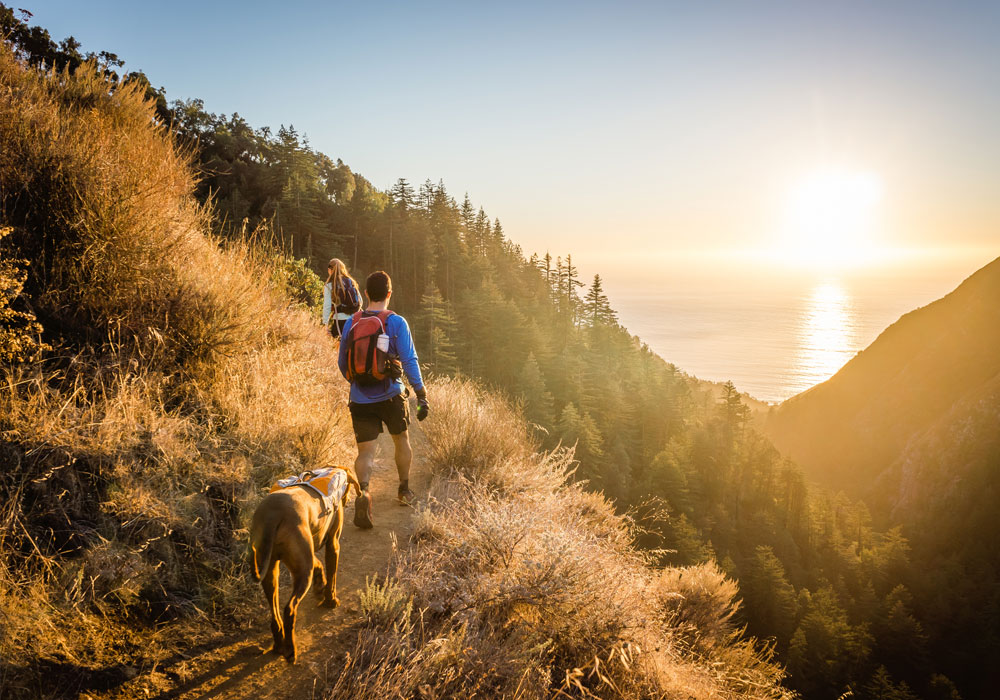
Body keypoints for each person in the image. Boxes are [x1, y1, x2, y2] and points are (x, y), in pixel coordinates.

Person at [338, 270, 429, 529]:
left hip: (359, 398)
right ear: (389, 294)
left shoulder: (352, 322)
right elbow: (410, 360)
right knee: (401, 440)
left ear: (366, 294)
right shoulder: (396, 322)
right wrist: (421, 394)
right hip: (391, 395)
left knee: (365, 451)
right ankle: (403, 490)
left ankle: (364, 492)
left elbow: (342, 362)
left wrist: (358, 381)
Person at [323, 258, 362, 340]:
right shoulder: (350, 281)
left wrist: (325, 324)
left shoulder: (329, 285)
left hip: (339, 321)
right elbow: (360, 301)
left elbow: (327, 306)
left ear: (330, 270)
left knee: (338, 349)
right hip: (354, 320)